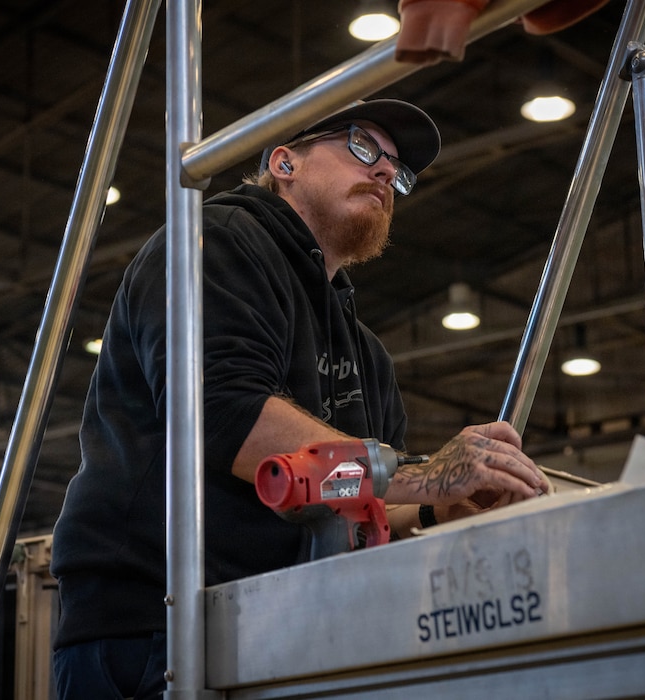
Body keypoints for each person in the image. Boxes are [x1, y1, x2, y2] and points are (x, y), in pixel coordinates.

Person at [49, 98, 550, 699]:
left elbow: (346, 491)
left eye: (398, 169)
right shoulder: (219, 241)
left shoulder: (366, 353)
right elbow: (224, 417)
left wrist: (437, 507)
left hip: (286, 627)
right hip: (154, 626)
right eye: (363, 147)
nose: (387, 173)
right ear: (284, 162)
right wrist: (423, 476)